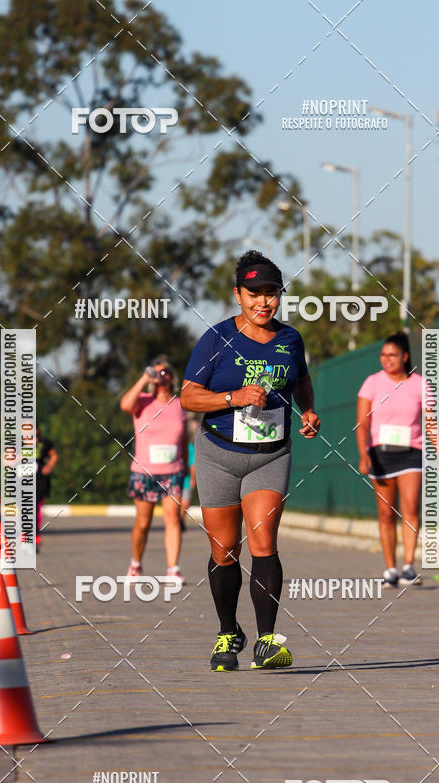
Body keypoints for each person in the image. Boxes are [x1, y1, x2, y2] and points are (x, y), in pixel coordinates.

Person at [181, 249, 320, 672]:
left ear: (280, 295)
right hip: (219, 454)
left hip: (270, 454)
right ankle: (228, 631)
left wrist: (308, 410)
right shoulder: (217, 338)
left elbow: (301, 379)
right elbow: (188, 396)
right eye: (253, 293)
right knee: (225, 550)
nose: (263, 302)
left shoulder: (290, 339)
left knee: (263, 543)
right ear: (237, 295)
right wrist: (233, 397)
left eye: (271, 293)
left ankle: (266, 642)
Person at [356, 331, 425, 588]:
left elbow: (431, 422)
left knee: (410, 507)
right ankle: (390, 569)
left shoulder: (420, 384)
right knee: (386, 513)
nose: (387, 359)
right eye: (383, 355)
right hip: (380, 454)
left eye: (393, 355)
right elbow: (362, 424)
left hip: (411, 452)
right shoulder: (372, 383)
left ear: (405, 356)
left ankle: (408, 566)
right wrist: (364, 455)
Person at [120, 356, 187, 582]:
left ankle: (173, 569)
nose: (161, 376)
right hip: (144, 471)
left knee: (173, 518)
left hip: (173, 470)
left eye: (165, 372)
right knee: (143, 522)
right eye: (156, 372)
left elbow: (184, 437)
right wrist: (144, 379)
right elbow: (125, 405)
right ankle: (135, 564)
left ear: (172, 377)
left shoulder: (179, 404)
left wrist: (185, 467)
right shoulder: (143, 401)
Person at [36, 427, 58, 548]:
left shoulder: (44, 442)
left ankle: (35, 533)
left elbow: (54, 456)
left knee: (36, 506)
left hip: (40, 479)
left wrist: (49, 466)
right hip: (22, 478)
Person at [180, 417, 198, 530]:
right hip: (175, 479)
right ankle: (178, 521)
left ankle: (180, 519)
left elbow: (192, 464)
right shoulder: (176, 445)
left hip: (186, 480)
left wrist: (193, 479)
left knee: (185, 503)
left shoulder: (190, 447)